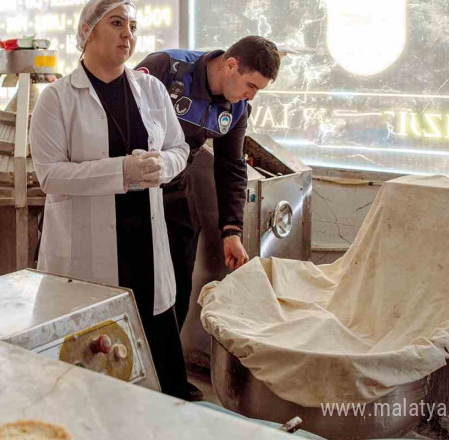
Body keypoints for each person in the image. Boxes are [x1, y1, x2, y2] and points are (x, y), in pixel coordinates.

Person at [29, 0, 193, 400]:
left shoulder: (150, 89)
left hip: (144, 248)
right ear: (87, 32)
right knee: (94, 368)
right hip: (88, 251)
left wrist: (162, 167)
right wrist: (122, 172)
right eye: (117, 23)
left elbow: (179, 147)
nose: (128, 34)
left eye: (133, 26)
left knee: (157, 366)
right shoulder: (57, 99)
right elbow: (51, 175)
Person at [135, 37, 281, 331]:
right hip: (133, 186)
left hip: (175, 187)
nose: (251, 96)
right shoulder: (167, 68)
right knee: (136, 277)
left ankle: (168, 368)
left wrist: (232, 231)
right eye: (250, 86)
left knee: (177, 281)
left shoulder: (237, 109)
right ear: (231, 65)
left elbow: (231, 166)